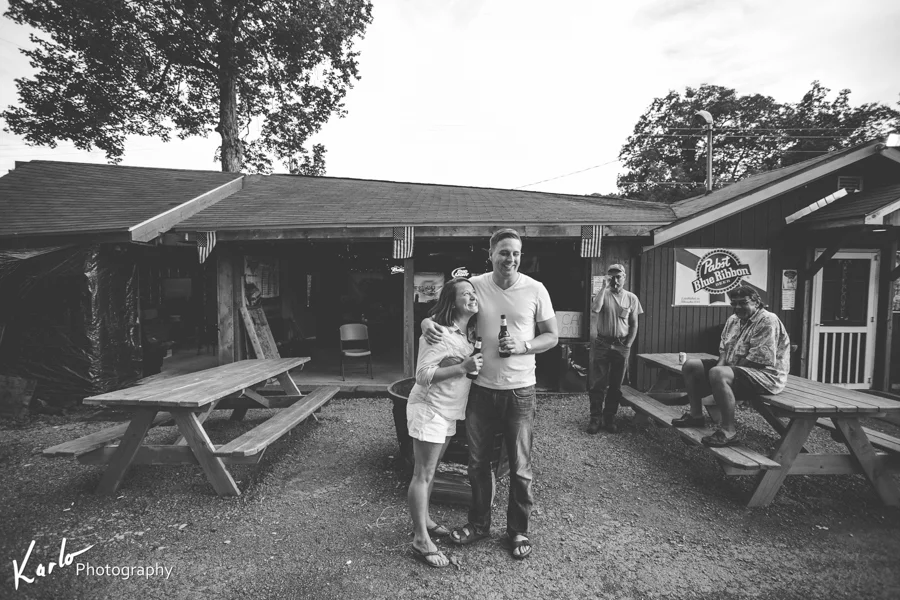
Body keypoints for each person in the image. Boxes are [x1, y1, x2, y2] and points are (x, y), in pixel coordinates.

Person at [422, 228, 558, 560]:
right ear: (491, 253)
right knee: (478, 464)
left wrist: (525, 345)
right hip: (481, 390)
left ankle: (518, 530)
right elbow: (443, 308)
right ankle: (479, 524)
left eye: (515, 253)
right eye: (503, 252)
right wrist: (427, 322)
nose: (510, 259)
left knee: (520, 467)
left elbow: (552, 336)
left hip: (521, 391)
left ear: (520, 256)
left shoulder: (535, 289)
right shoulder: (476, 285)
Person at [406, 277, 483, 568]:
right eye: (466, 293)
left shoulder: (468, 333)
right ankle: (420, 539)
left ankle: (424, 518)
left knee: (432, 469)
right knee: (423, 473)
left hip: (449, 411)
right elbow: (422, 374)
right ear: (453, 302)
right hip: (430, 409)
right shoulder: (437, 333)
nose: (473, 296)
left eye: (474, 292)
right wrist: (463, 367)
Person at [672, 285, 791, 447]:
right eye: (734, 303)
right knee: (690, 365)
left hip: (766, 375)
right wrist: (718, 369)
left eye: (743, 303)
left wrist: (719, 373)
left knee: (718, 374)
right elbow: (724, 349)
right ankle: (696, 415)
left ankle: (729, 431)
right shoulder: (733, 320)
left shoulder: (767, 320)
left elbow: (759, 359)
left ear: (756, 302)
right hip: (735, 367)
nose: (737, 307)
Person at [587, 263, 643, 434]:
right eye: (612, 276)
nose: (615, 280)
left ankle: (609, 417)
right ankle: (595, 418)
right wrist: (604, 287)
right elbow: (595, 309)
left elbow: (634, 325)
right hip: (603, 343)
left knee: (616, 385)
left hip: (621, 344)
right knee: (598, 383)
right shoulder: (603, 294)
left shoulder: (631, 298)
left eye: (618, 276)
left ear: (624, 277)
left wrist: (628, 345)